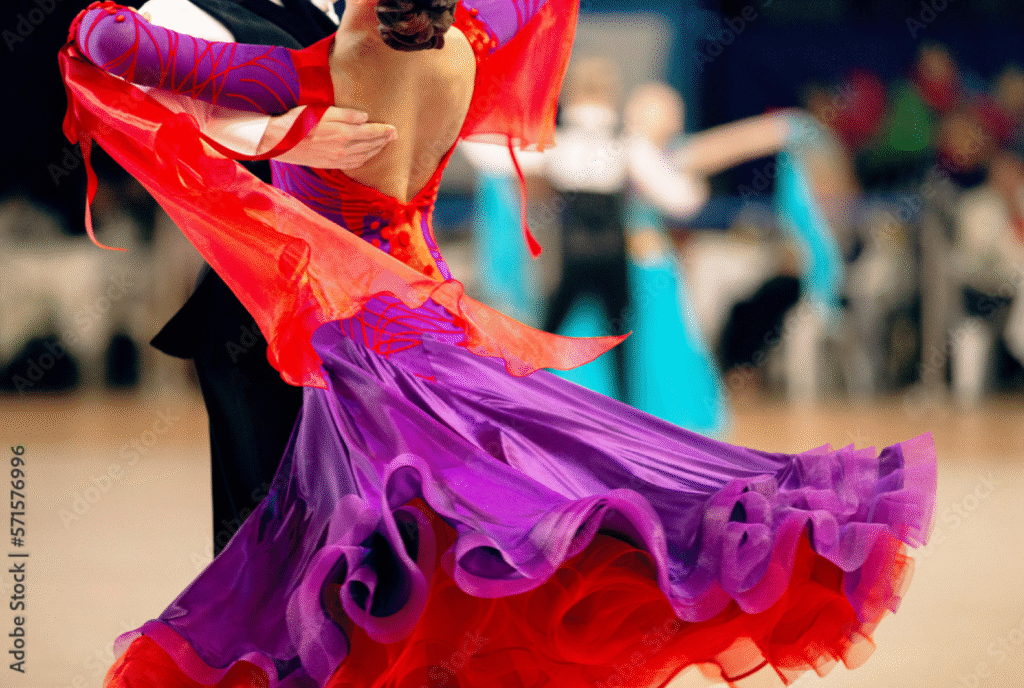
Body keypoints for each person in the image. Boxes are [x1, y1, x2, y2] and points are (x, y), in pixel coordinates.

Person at [62, 1, 936, 686]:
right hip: (437, 312)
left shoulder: (307, 73)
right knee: (479, 515)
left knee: (350, 544)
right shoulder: (465, 54)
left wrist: (289, 123)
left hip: (352, 339)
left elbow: (103, 38)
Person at [136, 0, 400, 553]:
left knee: (375, 527)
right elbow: (154, 120)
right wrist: (281, 137)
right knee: (273, 531)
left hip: (367, 301)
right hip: (257, 303)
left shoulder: (341, 13)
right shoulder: (181, 10)